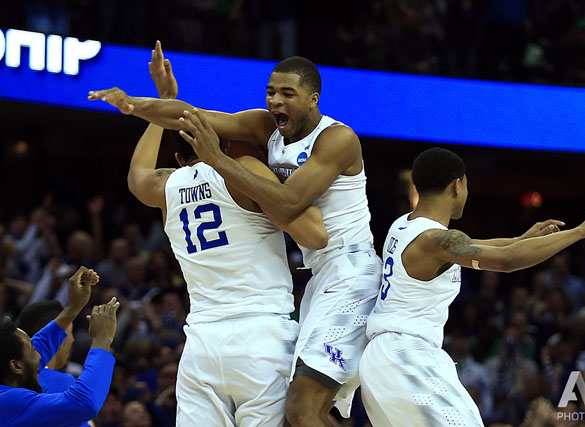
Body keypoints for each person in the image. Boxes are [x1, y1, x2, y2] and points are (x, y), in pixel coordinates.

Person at [90, 43, 382, 426]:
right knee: (307, 410)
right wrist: (137, 103)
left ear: (313, 99)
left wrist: (149, 111)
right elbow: (192, 116)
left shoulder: (337, 138)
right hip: (285, 305)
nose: (275, 100)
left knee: (305, 407)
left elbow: (300, 210)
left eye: (286, 94)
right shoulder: (260, 138)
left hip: (345, 270)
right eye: (270, 92)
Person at [358, 147, 585, 426]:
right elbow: (507, 261)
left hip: (382, 359)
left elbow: (479, 246)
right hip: (406, 357)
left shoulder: (404, 226)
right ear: (457, 185)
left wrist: (521, 238)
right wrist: (580, 231)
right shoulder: (434, 240)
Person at [0, 266, 120, 427]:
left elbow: (39, 346)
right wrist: (102, 340)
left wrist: (73, 307)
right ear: (15, 366)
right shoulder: (9, 402)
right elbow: (85, 404)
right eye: (32, 349)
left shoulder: (8, 388)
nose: (40, 355)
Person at [16, 300, 92, 427]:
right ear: (58, 338)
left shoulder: (10, 377)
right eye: (70, 333)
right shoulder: (63, 383)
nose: (72, 340)